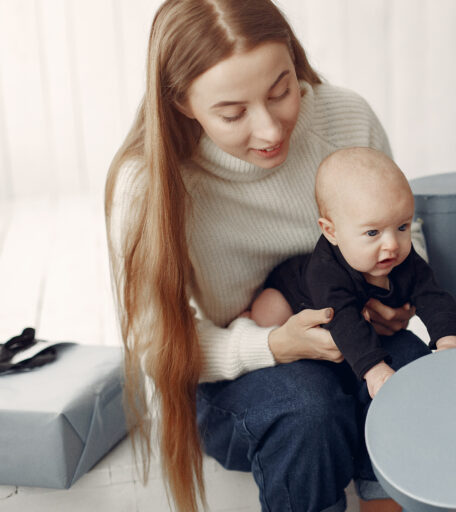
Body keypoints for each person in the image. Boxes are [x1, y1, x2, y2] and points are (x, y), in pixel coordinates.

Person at [104, 1, 428, 510]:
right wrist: (271, 346)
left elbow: (406, 231)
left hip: (359, 347)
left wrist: (395, 297)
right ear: (182, 103)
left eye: (281, 90)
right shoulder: (147, 184)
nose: (272, 130)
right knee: (309, 408)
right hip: (240, 372)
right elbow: (156, 343)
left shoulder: (344, 117)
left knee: (413, 374)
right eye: (232, 114)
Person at [250, 147, 456, 399]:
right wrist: (375, 371)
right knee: (268, 314)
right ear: (331, 232)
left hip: (356, 316)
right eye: (373, 233)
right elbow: (345, 322)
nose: (392, 244)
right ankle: (250, 318)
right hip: (293, 295)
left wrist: (449, 342)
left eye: (402, 226)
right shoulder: (325, 271)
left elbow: (434, 297)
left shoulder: (401, 258)